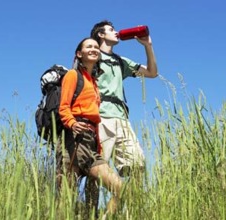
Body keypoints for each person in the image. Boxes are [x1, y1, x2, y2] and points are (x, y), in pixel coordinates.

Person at [58, 37, 123, 217]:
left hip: (91, 142)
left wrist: (98, 145)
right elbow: (63, 107)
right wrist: (72, 123)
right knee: (66, 200)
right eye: (89, 46)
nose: (94, 49)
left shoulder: (93, 82)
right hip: (73, 141)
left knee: (120, 188)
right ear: (79, 54)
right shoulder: (73, 75)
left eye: (96, 47)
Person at [90, 20, 158, 177]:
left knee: (137, 165)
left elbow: (152, 73)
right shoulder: (92, 56)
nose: (116, 32)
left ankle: (130, 201)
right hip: (100, 117)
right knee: (98, 168)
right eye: (111, 29)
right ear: (101, 34)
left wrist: (148, 45)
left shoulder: (121, 61)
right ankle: (91, 203)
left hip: (122, 119)